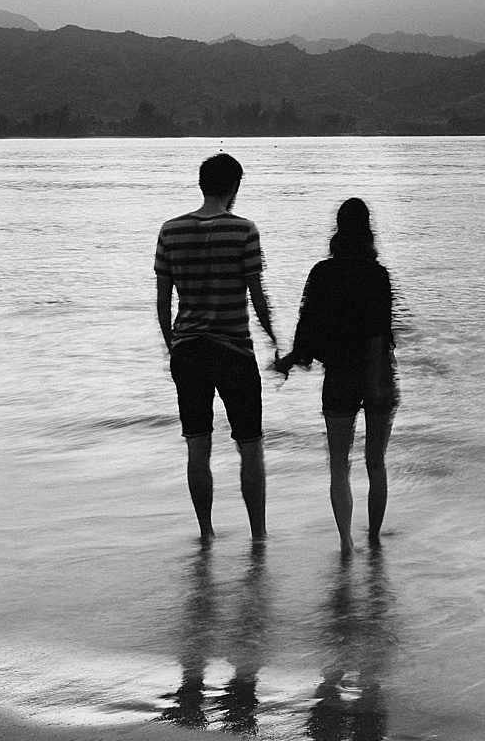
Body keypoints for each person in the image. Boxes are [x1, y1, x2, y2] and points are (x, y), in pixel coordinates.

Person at [155, 152, 279, 541]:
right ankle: (258, 535)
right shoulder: (244, 230)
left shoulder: (170, 231)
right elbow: (257, 296)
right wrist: (275, 337)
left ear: (201, 184)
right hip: (234, 353)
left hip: (188, 351)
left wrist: (172, 345)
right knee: (251, 447)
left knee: (198, 447)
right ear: (234, 187)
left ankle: (206, 534)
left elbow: (162, 302)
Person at [273, 198, 398, 553]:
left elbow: (307, 329)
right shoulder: (379, 275)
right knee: (376, 463)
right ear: (368, 228)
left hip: (340, 376)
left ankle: (346, 543)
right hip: (379, 375)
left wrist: (290, 361)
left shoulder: (322, 274)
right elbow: (382, 330)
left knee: (339, 466)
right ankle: (374, 539)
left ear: (338, 229)